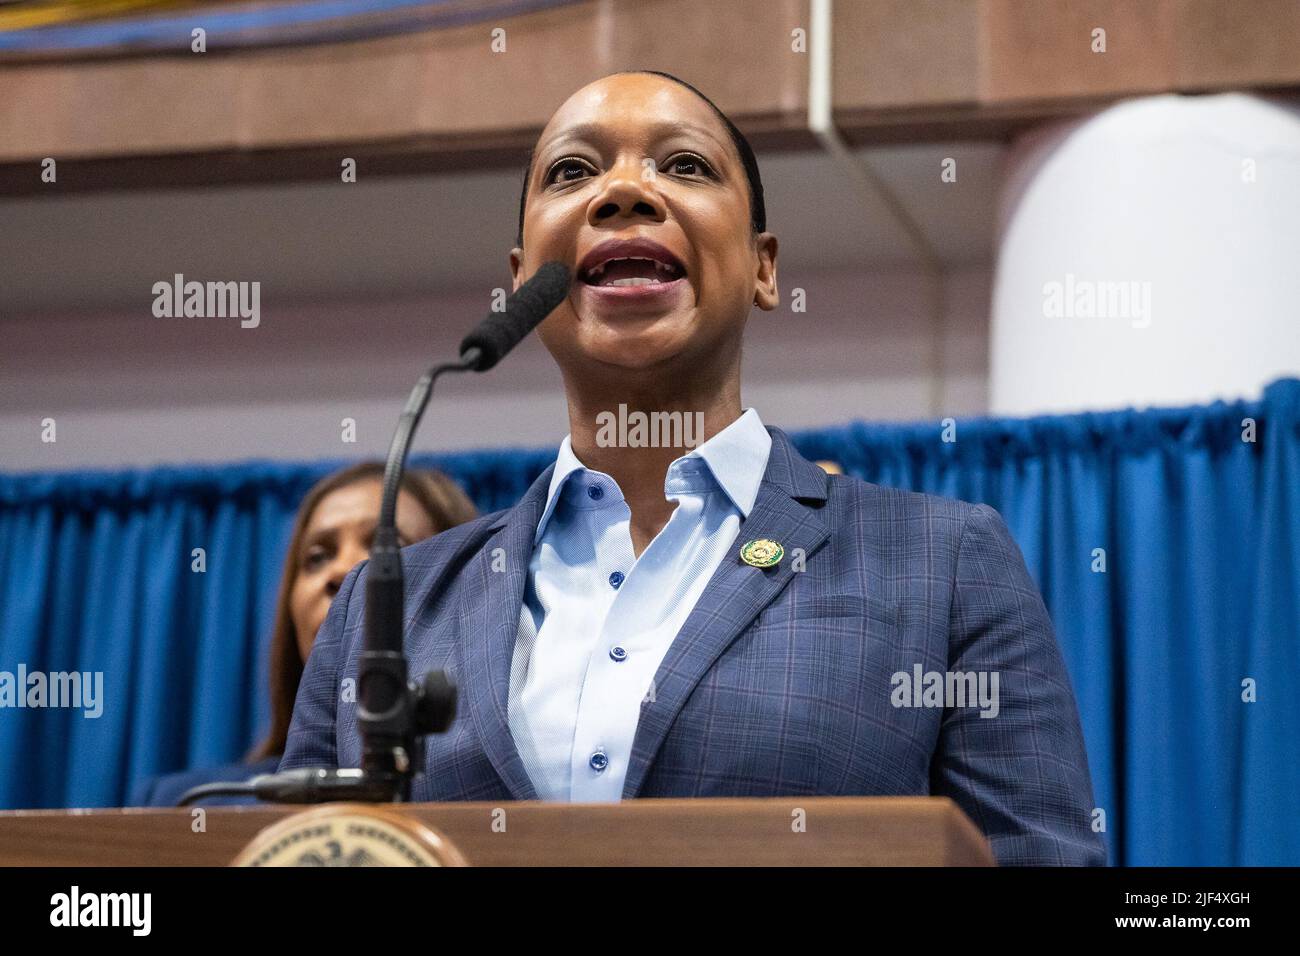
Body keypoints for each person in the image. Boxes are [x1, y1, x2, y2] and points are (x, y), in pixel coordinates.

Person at [281, 71, 1105, 865]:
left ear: (763, 267)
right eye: (573, 171)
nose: (624, 193)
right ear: (521, 280)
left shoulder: (940, 561)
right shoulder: (382, 612)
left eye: (684, 165)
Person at [131, 462, 476, 806]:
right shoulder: (185, 803)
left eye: (387, 549)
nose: (341, 572)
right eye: (317, 557)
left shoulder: (501, 798)